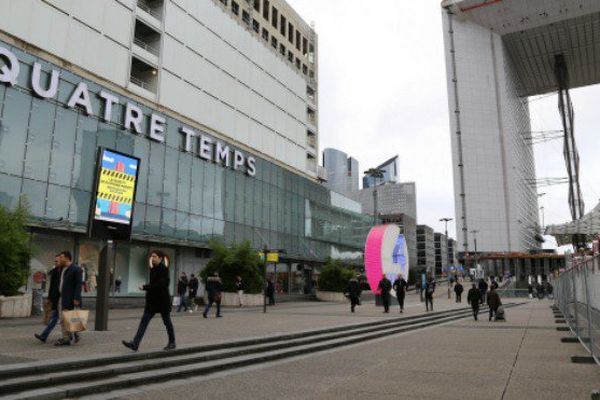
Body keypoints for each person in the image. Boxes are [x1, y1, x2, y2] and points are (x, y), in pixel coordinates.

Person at [123, 250, 175, 351]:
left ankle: (172, 342)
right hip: (152, 303)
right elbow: (154, 285)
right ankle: (135, 344)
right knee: (144, 322)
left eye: (155, 256)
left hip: (162, 302)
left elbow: (162, 285)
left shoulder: (164, 270)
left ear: (160, 258)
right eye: (152, 256)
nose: (153, 258)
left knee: (167, 322)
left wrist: (145, 287)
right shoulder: (152, 269)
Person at [54, 251, 83, 346]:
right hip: (62, 297)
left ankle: (74, 334)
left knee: (70, 318)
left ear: (67, 258)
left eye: (61, 257)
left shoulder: (76, 269)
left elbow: (78, 285)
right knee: (63, 319)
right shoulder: (62, 269)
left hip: (70, 298)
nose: (59, 259)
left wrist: (76, 298)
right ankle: (66, 337)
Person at [35, 255, 62, 343]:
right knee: (55, 317)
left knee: (60, 318)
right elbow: (52, 287)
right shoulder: (54, 271)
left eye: (57, 261)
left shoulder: (65, 271)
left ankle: (74, 334)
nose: (55, 262)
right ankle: (44, 335)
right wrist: (49, 298)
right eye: (55, 261)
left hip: (63, 299)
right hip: (56, 298)